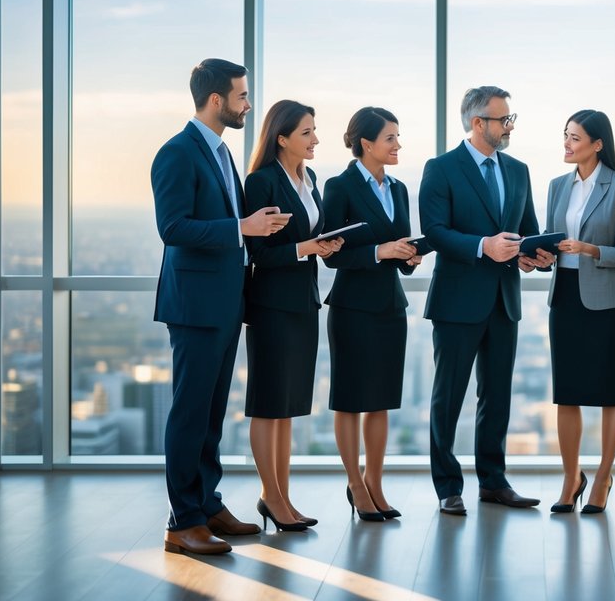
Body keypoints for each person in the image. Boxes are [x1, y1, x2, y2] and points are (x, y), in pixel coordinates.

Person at [152, 58, 290, 556]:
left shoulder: (221, 154)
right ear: (216, 100)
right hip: (194, 306)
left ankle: (206, 504)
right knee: (190, 413)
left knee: (211, 413)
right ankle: (181, 521)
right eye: (242, 97)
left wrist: (257, 227)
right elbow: (172, 228)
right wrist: (241, 227)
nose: (248, 105)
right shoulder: (177, 153)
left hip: (226, 303)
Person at [419, 85, 546, 515]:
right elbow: (435, 232)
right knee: (448, 396)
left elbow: (526, 228)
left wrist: (535, 255)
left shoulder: (519, 170)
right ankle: (447, 486)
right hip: (457, 301)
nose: (509, 126)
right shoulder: (441, 168)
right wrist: (482, 247)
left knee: (497, 396)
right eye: (502, 119)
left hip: (504, 300)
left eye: (511, 118)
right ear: (478, 123)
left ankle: (493, 481)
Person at [243, 99, 343, 533]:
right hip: (271, 305)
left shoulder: (310, 177)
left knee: (287, 407)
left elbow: (306, 235)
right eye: (307, 132)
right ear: (281, 137)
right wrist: (305, 249)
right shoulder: (261, 181)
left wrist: (324, 244)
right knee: (268, 405)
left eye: (315, 130)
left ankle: (279, 497)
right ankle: (272, 497)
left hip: (304, 301)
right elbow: (259, 252)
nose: (316, 138)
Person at [321, 106, 423, 522]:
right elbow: (330, 256)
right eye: (390, 138)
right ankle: (355, 484)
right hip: (351, 307)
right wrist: (381, 251)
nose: (397, 145)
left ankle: (375, 482)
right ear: (367, 143)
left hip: (389, 306)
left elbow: (397, 245)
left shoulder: (398, 189)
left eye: (398, 137)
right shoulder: (339, 186)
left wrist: (408, 257)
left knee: (380, 402)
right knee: (349, 402)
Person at [541, 110, 615, 515]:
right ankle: (571, 477)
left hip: (607, 302)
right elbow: (550, 242)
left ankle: (603, 476)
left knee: (609, 394)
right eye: (565, 135)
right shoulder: (556, 186)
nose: (566, 143)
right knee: (568, 394)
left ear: (597, 144)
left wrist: (589, 249)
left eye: (574, 137)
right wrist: (537, 255)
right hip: (564, 297)